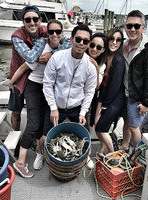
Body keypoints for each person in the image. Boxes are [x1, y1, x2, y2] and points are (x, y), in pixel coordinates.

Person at [10, 19, 71, 178]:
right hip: (35, 86)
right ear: (47, 33)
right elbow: (24, 66)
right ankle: (21, 162)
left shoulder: (64, 50)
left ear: (62, 33)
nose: (55, 35)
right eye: (51, 32)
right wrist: (12, 81)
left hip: (51, 89)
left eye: (58, 31)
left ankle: (39, 152)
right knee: (33, 122)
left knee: (45, 122)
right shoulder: (42, 48)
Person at [43, 24, 97, 168]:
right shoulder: (57, 58)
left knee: (84, 134)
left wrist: (83, 112)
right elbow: (47, 84)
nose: (81, 43)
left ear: (88, 43)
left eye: (86, 41)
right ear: (72, 39)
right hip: (57, 106)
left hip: (76, 106)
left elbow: (90, 91)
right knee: (44, 136)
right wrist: (53, 107)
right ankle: (40, 154)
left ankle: (86, 155)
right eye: (78, 39)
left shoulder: (90, 66)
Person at [119, 10, 148, 151]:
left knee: (134, 127)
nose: (132, 29)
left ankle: (138, 155)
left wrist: (147, 102)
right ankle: (124, 145)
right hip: (124, 92)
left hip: (137, 96)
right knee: (126, 122)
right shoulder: (124, 45)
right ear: (124, 27)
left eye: (137, 26)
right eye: (129, 26)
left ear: (143, 27)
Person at [94, 29, 126, 154]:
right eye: (111, 39)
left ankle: (113, 155)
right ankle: (103, 147)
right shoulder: (106, 56)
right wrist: (100, 102)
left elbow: (115, 85)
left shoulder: (118, 59)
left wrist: (105, 105)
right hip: (104, 95)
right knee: (96, 124)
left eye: (118, 40)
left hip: (116, 98)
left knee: (102, 128)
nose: (114, 42)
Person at [86, 32, 106, 127]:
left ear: (103, 50)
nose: (94, 49)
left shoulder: (102, 65)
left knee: (86, 122)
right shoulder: (81, 56)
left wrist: (97, 68)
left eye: (98, 47)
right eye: (92, 45)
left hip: (89, 97)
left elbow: (96, 87)